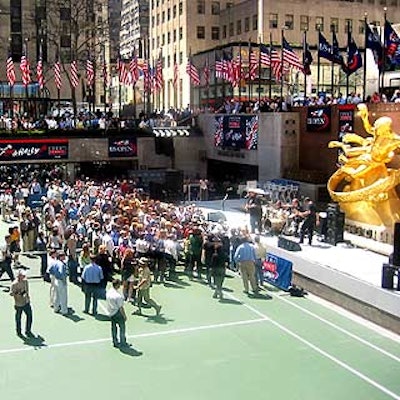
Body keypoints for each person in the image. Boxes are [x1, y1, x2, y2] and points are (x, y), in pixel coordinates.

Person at [10, 269, 33, 338]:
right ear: (19, 276)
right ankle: (19, 331)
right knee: (18, 318)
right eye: (22, 275)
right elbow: (11, 293)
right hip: (18, 304)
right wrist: (17, 293)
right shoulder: (14, 284)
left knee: (30, 316)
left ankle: (28, 330)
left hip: (26, 302)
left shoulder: (26, 281)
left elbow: (26, 290)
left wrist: (27, 296)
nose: (24, 276)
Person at [106, 278, 128, 348]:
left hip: (111, 312)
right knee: (122, 327)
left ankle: (115, 342)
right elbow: (121, 307)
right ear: (117, 285)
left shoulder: (109, 292)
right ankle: (123, 342)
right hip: (117, 312)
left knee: (113, 328)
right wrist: (124, 316)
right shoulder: (118, 296)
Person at [50, 250, 70, 315]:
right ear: (60, 257)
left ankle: (56, 308)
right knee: (63, 297)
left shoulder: (55, 262)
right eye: (63, 255)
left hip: (56, 280)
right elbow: (62, 273)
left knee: (57, 295)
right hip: (61, 281)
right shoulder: (61, 264)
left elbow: (50, 270)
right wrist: (64, 280)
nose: (65, 257)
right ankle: (64, 311)